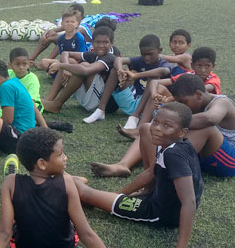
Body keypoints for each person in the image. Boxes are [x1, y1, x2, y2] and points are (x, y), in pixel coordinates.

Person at [74, 102, 203, 248]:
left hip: (158, 213)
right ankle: (80, 182)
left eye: (167, 126)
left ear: (182, 132)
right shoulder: (176, 144)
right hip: (159, 198)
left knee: (85, 193)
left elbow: (189, 201)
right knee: (145, 128)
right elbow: (151, 173)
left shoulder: (173, 155)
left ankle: (69, 179)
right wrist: (118, 194)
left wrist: (182, 245)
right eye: (156, 122)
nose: (157, 128)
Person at [91, 75, 235, 178]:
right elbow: (155, 83)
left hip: (230, 161)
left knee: (204, 127)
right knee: (150, 129)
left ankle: (156, 172)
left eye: (184, 102)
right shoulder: (192, 101)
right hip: (199, 155)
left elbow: (210, 118)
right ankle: (124, 165)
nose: (183, 105)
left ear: (198, 95)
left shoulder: (222, 102)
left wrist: (168, 123)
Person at [0, 128, 105, 248]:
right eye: (60, 154)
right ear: (42, 164)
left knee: (14, 222)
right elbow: (86, 234)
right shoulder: (66, 183)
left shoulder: (10, 184)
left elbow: (3, 234)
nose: (65, 157)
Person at [117, 47, 221, 140]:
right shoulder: (188, 75)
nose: (203, 70)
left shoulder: (214, 79)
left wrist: (170, 99)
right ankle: (139, 129)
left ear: (213, 66)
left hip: (197, 116)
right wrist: (154, 95)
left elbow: (200, 91)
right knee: (159, 88)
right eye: (199, 65)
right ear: (192, 65)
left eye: (207, 66)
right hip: (183, 108)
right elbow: (154, 82)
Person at [41, 20, 120, 119]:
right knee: (71, 61)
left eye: (105, 42)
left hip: (105, 104)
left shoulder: (111, 57)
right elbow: (66, 53)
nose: (101, 45)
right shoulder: (94, 54)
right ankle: (49, 99)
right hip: (92, 96)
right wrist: (65, 67)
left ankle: (57, 104)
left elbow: (85, 71)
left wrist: (62, 66)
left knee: (83, 66)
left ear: (111, 43)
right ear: (92, 42)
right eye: (98, 42)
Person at [0, 59, 46, 154]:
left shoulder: (6, 87)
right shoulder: (15, 82)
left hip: (19, 139)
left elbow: (8, 120)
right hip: (24, 138)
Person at [113, 34, 173, 130]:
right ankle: (101, 109)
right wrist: (120, 71)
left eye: (150, 54)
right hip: (135, 103)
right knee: (115, 70)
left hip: (154, 106)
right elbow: (118, 59)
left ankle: (135, 117)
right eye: (143, 54)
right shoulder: (140, 60)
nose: (146, 58)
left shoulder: (164, 63)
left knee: (153, 77)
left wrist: (137, 75)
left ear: (159, 50)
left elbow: (163, 70)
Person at [33, 8, 87, 72]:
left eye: (72, 22)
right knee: (44, 61)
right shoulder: (60, 38)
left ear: (77, 24)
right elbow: (62, 56)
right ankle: (54, 73)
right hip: (64, 62)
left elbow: (80, 57)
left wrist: (62, 64)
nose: (70, 24)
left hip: (76, 64)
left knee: (70, 60)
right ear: (62, 24)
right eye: (67, 21)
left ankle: (61, 73)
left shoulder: (79, 37)